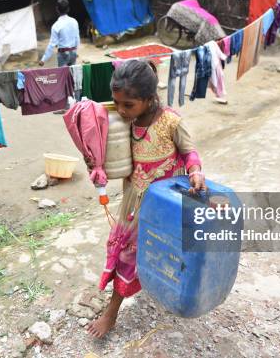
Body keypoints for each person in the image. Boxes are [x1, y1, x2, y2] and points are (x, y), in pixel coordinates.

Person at [85, 60, 207, 338]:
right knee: (127, 254)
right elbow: (108, 156)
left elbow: (189, 152)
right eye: (117, 103)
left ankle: (170, 289)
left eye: (129, 104)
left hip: (166, 203)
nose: (122, 110)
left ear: (150, 99)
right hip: (134, 203)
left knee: (166, 248)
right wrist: (97, 167)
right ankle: (111, 314)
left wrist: (195, 171)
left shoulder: (170, 122)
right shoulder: (119, 122)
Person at [39, 0, 80, 67]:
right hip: (73, 52)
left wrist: (43, 59)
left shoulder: (56, 26)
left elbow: (52, 44)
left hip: (63, 54)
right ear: (68, 9)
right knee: (72, 74)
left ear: (57, 9)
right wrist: (76, 51)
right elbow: (77, 38)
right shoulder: (74, 21)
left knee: (63, 75)